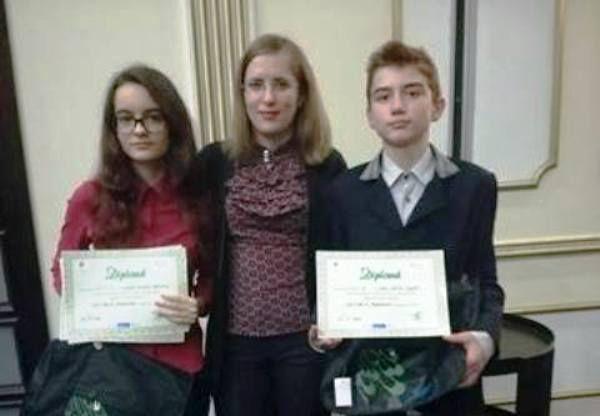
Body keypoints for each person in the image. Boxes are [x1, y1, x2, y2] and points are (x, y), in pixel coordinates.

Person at [310, 40, 505, 415]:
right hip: (369, 381)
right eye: (383, 96)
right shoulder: (341, 193)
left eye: (412, 92)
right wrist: (322, 326)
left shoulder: (474, 186)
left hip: (446, 374)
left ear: (438, 105)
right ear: (369, 115)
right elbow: (327, 286)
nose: (397, 106)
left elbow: (486, 280)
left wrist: (485, 339)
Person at [184, 33, 346, 416]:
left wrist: (340, 318)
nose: (268, 98)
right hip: (235, 344)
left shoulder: (327, 164)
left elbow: (343, 249)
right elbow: (188, 239)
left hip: (305, 341)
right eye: (256, 85)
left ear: (301, 95)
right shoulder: (213, 162)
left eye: (281, 84)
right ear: (242, 94)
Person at [50, 64, 212, 415]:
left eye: (153, 117)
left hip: (181, 368)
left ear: (172, 124)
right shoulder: (89, 198)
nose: (139, 130)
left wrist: (198, 303)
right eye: (126, 119)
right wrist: (92, 304)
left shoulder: (198, 196)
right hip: (113, 370)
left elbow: (214, 273)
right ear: (114, 129)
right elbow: (62, 273)